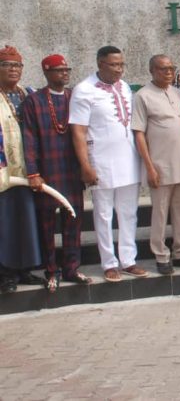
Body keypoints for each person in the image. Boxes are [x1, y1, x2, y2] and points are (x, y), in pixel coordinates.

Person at [70, 46, 147, 282]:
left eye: (121, 64)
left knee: (129, 213)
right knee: (104, 215)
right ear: (100, 64)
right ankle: (109, 263)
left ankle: (128, 260)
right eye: (114, 65)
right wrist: (85, 165)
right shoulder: (84, 90)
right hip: (101, 162)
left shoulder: (124, 87)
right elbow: (78, 131)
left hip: (128, 160)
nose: (119, 69)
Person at [22, 54, 90, 292]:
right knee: (47, 225)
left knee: (74, 220)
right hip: (47, 172)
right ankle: (51, 270)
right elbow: (29, 139)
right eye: (59, 70)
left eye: (66, 69)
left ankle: (72, 268)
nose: (64, 73)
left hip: (72, 171)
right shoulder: (34, 101)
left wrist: (87, 167)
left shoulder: (75, 97)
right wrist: (33, 172)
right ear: (46, 73)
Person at [132, 54, 180, 275]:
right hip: (160, 167)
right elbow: (139, 134)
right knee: (160, 214)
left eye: (171, 68)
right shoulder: (143, 96)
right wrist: (149, 167)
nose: (168, 72)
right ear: (152, 71)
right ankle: (161, 255)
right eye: (163, 69)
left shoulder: (178, 93)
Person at [0, 46, 43, 293]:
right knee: (5, 223)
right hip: (3, 173)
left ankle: (25, 269)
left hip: (28, 171)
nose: (13, 70)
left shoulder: (28, 94)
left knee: (26, 220)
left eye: (17, 65)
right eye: (7, 65)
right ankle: (5, 274)